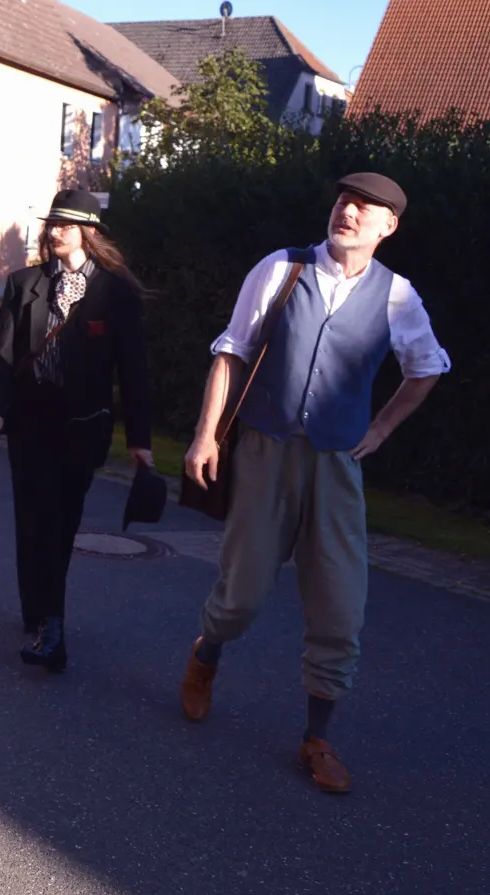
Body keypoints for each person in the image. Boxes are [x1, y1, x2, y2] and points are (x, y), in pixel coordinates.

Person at [178, 173, 448, 794]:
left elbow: (427, 367)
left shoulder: (397, 297)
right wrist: (203, 434)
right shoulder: (282, 269)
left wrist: (379, 430)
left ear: (388, 227)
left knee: (340, 603)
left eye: (365, 209)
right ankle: (206, 655)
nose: (349, 213)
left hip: (335, 463)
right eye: (343, 202)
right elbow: (231, 352)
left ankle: (316, 738)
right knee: (241, 594)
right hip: (263, 451)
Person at [0, 189, 153, 672]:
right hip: (30, 422)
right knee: (31, 520)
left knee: (60, 523)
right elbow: (1, 355)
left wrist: (140, 440)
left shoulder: (115, 292)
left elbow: (133, 370)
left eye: (66, 225)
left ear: (88, 232)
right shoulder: (24, 283)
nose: (54, 231)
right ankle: (43, 616)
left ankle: (47, 617)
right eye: (52, 222)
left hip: (82, 429)